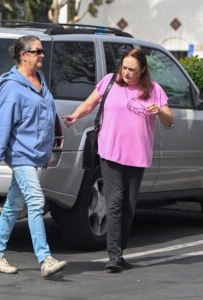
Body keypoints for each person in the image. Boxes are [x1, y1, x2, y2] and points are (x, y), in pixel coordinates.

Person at [64, 48, 173, 273]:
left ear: (143, 69)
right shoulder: (110, 82)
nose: (126, 73)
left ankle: (120, 250)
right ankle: (113, 255)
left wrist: (159, 112)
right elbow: (90, 103)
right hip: (110, 152)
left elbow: (169, 120)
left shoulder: (153, 90)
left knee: (129, 207)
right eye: (124, 67)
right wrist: (75, 115)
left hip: (138, 155)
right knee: (114, 203)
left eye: (132, 69)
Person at [0, 35, 67, 279]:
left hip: (35, 155)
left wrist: (47, 151)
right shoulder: (12, 87)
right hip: (20, 155)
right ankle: (45, 259)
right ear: (24, 55)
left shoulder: (40, 81)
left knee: (12, 206)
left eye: (42, 51)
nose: (42, 55)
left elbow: (48, 117)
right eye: (38, 51)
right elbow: (1, 125)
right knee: (36, 202)